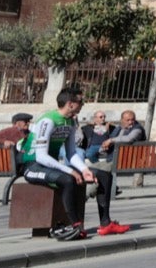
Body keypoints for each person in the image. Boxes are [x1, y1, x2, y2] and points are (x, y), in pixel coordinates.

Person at [21, 88, 93, 241]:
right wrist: (69, 171)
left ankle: (104, 223)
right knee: (67, 179)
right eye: (81, 102)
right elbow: (40, 156)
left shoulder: (70, 121)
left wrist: (84, 169)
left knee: (98, 176)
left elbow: (71, 152)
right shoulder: (48, 120)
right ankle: (75, 224)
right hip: (32, 166)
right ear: (70, 104)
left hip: (48, 166)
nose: (83, 105)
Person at [73, 110, 131, 236]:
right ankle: (99, 223)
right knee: (97, 171)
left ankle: (105, 223)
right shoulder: (85, 127)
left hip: (106, 157)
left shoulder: (116, 128)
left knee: (101, 173)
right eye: (100, 117)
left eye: (104, 116)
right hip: (94, 158)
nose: (103, 118)